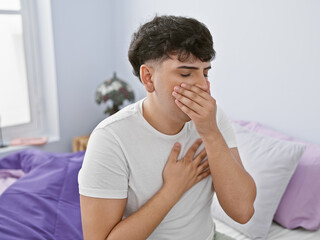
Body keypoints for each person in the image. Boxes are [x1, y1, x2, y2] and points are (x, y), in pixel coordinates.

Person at [78, 15, 256, 240]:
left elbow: (243, 211)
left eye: (205, 72)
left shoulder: (212, 118)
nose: (203, 85)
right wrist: (172, 190)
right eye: (185, 73)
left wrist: (211, 134)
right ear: (148, 78)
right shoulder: (111, 137)